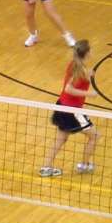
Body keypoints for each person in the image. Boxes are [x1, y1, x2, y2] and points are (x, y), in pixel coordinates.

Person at [39, 39, 100, 177]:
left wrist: (88, 75)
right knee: (95, 136)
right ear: (87, 53)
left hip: (62, 105)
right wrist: (89, 94)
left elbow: (78, 78)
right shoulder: (81, 70)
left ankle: (46, 167)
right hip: (72, 110)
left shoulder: (74, 64)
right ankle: (84, 165)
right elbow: (69, 88)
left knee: (61, 139)